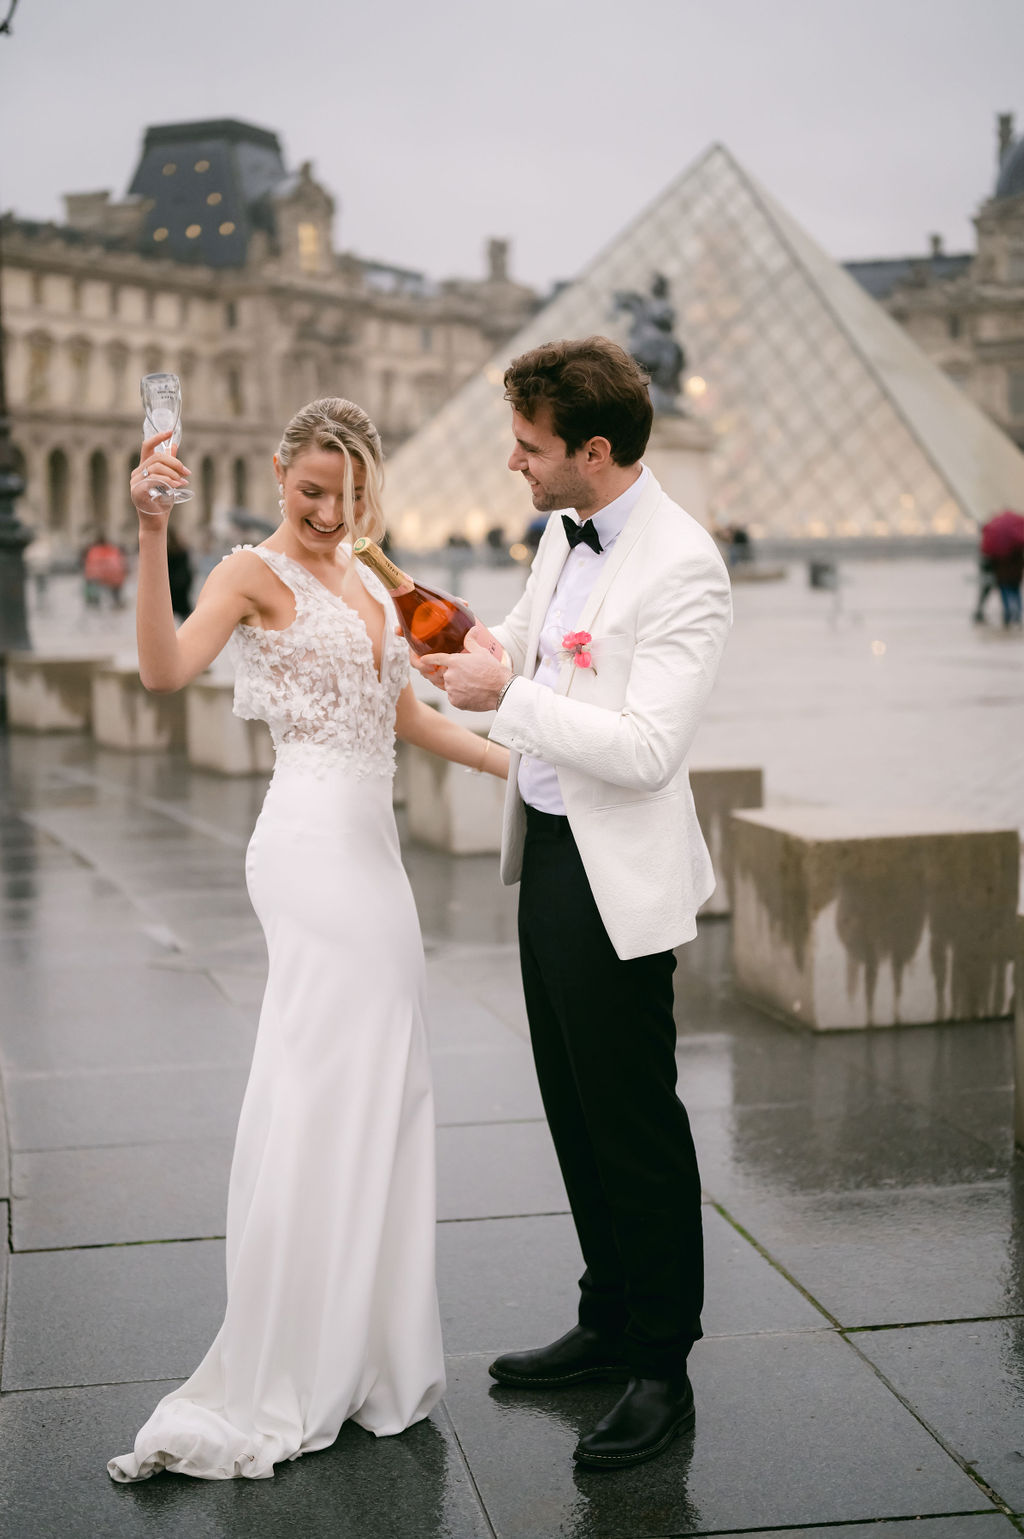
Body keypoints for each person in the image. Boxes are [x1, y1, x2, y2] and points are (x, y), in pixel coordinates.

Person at [107, 397, 509, 1483]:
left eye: (350, 495)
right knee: (326, 1082)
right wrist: (149, 532)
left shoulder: (376, 576)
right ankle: (294, 1355)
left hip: (373, 860)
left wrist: (520, 768)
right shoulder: (249, 574)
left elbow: (410, 715)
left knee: (383, 1084)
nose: (331, 514)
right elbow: (159, 671)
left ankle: (367, 1353)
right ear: (281, 476)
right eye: (312, 493)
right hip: (305, 851)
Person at [421, 338, 732, 1471]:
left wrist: (508, 698)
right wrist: (463, 641)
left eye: (530, 445)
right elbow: (528, 639)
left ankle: (662, 1367)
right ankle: (607, 1318)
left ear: (592, 453)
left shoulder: (685, 565)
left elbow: (648, 751)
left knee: (635, 1124)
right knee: (571, 1104)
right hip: (548, 851)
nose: (514, 462)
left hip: (618, 874)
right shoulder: (564, 530)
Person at [166, 525, 194, 620]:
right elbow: (188, 568)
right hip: (181, 585)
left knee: (167, 615)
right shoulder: (182, 549)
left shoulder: (167, 552)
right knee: (185, 615)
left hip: (170, 586)